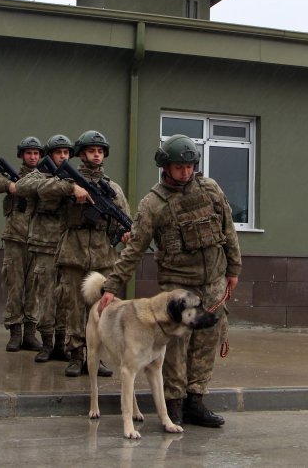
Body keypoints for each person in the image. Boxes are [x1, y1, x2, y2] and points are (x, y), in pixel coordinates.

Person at [97, 134, 241, 427]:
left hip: (213, 282)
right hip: (178, 288)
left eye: (189, 166)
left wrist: (234, 269)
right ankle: (173, 406)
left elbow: (229, 230)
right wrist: (112, 286)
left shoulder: (210, 189)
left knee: (206, 341)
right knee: (175, 349)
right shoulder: (153, 204)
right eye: (179, 167)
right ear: (165, 167)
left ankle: (196, 402)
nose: (185, 172)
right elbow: (134, 248)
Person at [43, 130, 129, 378]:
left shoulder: (113, 188)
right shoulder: (67, 180)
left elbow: (123, 218)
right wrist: (72, 188)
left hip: (102, 255)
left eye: (100, 151)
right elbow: (39, 189)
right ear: (81, 153)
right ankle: (76, 355)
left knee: (102, 309)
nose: (96, 155)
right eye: (92, 150)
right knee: (73, 306)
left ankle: (97, 356)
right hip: (73, 252)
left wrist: (124, 233)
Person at [0, 136, 43, 353]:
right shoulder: (12, 177)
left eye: (36, 153)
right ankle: (15, 333)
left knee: (34, 288)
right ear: (22, 156)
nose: (32, 157)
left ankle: (30, 334)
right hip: (15, 238)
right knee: (14, 286)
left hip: (38, 240)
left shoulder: (46, 178)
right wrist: (11, 186)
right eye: (29, 153)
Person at [15, 134, 74, 363]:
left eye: (66, 152)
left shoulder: (73, 177)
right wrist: (57, 185)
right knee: (45, 297)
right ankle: (47, 343)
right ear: (50, 155)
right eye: (59, 152)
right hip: (42, 244)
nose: (63, 156)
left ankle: (61, 344)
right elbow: (21, 186)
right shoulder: (40, 174)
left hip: (66, 246)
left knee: (64, 298)